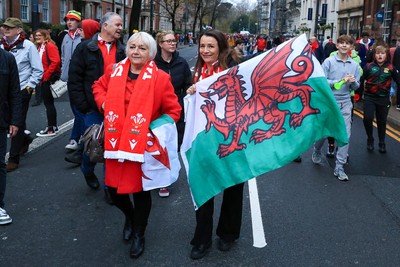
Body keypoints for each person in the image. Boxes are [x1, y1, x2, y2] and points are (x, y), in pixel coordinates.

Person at [92, 31, 181, 259]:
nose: (136, 51)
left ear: (150, 52)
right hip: (114, 145)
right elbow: (97, 87)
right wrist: (104, 105)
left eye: (142, 48)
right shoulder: (114, 71)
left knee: (141, 194)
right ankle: (130, 218)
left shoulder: (161, 78)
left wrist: (152, 129)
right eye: (132, 47)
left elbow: (174, 111)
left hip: (141, 147)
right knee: (113, 192)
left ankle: (139, 233)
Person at [186, 29, 242, 260]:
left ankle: (228, 234)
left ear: (220, 47)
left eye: (210, 46)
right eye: (202, 46)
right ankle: (202, 239)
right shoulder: (198, 70)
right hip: (205, 140)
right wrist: (192, 91)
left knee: (232, 187)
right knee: (202, 187)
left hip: (231, 138)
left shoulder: (234, 69)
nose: (205, 51)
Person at [68, 12, 125, 194]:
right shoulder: (85, 48)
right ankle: (87, 170)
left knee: (112, 147)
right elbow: (74, 79)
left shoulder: (124, 50)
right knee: (92, 145)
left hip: (117, 108)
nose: (120, 28)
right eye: (117, 24)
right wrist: (83, 106)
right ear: (105, 25)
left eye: (121, 25)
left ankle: (110, 186)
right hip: (92, 108)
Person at [311, 35, 360, 181]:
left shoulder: (355, 65)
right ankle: (317, 149)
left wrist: (352, 82)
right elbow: (321, 81)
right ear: (337, 45)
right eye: (342, 43)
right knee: (325, 132)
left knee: (345, 135)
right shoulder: (329, 62)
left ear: (351, 47)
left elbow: (356, 86)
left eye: (347, 44)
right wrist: (338, 82)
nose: (344, 46)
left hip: (345, 102)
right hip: (330, 102)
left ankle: (339, 167)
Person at [0, 18, 43, 172]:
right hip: (4, 91)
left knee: (16, 121)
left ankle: (13, 158)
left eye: (9, 28)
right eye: (4, 27)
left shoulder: (28, 46)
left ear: (19, 30)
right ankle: (24, 139)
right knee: (8, 119)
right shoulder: (2, 45)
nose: (6, 30)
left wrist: (28, 88)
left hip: (21, 90)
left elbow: (38, 69)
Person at [154, 30, 192, 198]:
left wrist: (188, 97)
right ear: (160, 44)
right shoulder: (152, 63)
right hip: (157, 112)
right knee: (159, 145)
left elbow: (187, 85)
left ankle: (167, 175)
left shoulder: (182, 63)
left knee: (173, 146)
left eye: (174, 40)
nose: (173, 43)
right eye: (168, 41)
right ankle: (162, 181)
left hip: (177, 111)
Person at [362, 43, 400, 153]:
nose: (380, 55)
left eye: (382, 53)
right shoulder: (368, 67)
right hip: (369, 97)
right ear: (374, 55)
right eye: (378, 53)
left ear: (386, 55)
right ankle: (370, 139)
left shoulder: (391, 68)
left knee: (382, 121)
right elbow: (360, 80)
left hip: (383, 99)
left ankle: (382, 142)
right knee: (368, 118)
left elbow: (398, 81)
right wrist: (357, 94)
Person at [0, 48, 22, 225]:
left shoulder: (7, 59)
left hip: (1, 119)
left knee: (0, 164)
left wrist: (15, 120)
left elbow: (14, 91)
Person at [60, 10, 84, 160]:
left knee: (79, 110)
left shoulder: (82, 37)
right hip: (69, 78)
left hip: (80, 78)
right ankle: (78, 137)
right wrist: (63, 70)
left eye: (73, 20)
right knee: (75, 110)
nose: (69, 22)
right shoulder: (65, 37)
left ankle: (76, 138)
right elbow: (63, 56)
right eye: (68, 20)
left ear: (79, 22)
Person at [34, 29, 61, 137]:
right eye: (36, 36)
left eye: (39, 35)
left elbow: (56, 61)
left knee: (49, 104)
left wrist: (46, 75)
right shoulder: (40, 47)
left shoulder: (49, 46)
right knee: (48, 103)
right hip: (43, 79)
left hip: (48, 79)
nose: (37, 37)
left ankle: (51, 128)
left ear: (46, 36)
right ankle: (52, 126)